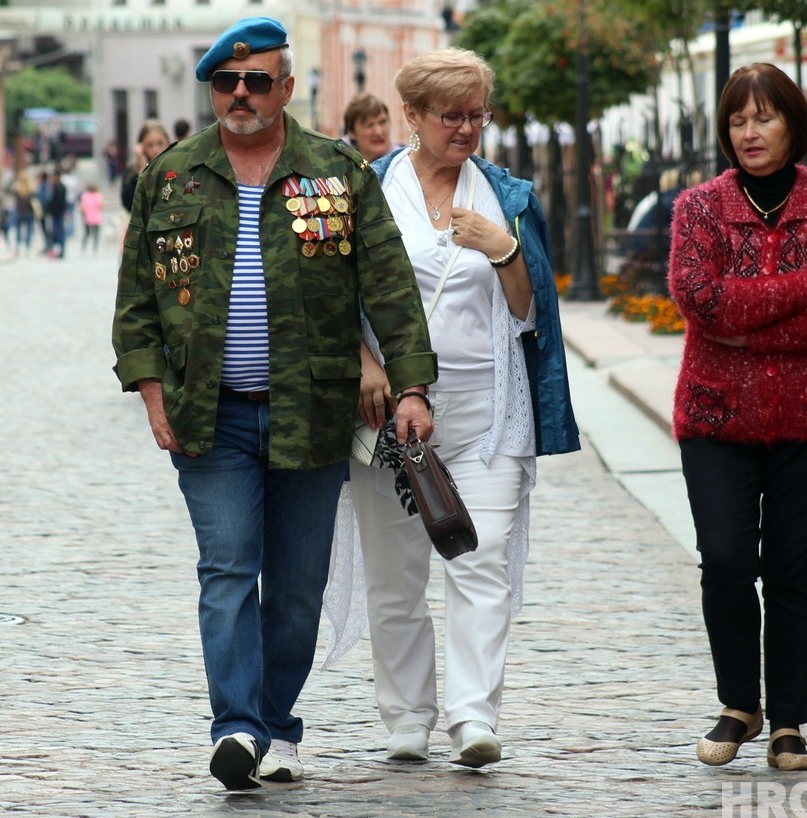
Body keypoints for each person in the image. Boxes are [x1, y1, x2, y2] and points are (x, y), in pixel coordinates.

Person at [111, 16, 438, 792]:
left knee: (294, 591)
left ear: (286, 88)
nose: (241, 94)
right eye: (226, 81)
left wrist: (411, 385)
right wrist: (154, 395)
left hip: (310, 412)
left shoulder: (337, 172)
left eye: (257, 81)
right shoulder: (172, 178)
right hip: (210, 414)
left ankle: (275, 722)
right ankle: (235, 726)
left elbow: (389, 286)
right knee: (227, 568)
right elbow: (137, 304)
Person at [329, 47, 579, 770]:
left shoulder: (505, 195)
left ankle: (473, 717)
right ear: (411, 115)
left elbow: (531, 315)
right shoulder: (370, 189)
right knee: (396, 576)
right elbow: (334, 294)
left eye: (477, 115)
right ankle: (407, 718)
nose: (466, 128)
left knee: (482, 558)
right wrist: (366, 364)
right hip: (388, 414)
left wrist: (504, 250)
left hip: (488, 410)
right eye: (450, 116)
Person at [666, 63, 807, 772]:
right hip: (716, 419)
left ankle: (787, 721)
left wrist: (748, 334)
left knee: (792, 572)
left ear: (793, 123)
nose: (750, 132)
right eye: (737, 120)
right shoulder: (699, 208)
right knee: (725, 560)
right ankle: (738, 705)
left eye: (764, 117)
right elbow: (701, 300)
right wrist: (799, 287)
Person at [119, 119, 170, 213]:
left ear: (167, 142)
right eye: (150, 145)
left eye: (160, 143)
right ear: (141, 146)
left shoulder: (177, 166)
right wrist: (142, 173)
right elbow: (129, 204)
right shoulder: (131, 172)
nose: (156, 149)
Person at [343, 92, 393, 161]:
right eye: (369, 125)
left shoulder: (403, 160)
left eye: (382, 122)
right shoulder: (337, 161)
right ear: (352, 132)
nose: (378, 132)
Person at [12, 170, 38, 255]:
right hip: (28, 212)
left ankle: (18, 247)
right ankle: (27, 247)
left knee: (19, 231)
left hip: (20, 211)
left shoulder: (18, 188)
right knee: (28, 231)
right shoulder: (30, 189)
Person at [45, 170, 68, 259]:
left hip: (57, 213)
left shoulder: (58, 187)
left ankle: (60, 250)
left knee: (59, 232)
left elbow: (58, 201)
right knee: (57, 231)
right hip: (57, 212)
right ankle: (59, 250)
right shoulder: (58, 187)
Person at [79, 182, 103, 254]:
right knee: (96, 234)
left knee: (86, 233)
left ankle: (84, 247)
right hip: (96, 217)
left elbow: (82, 207)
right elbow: (100, 206)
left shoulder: (85, 195)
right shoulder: (98, 195)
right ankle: (95, 247)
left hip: (87, 217)